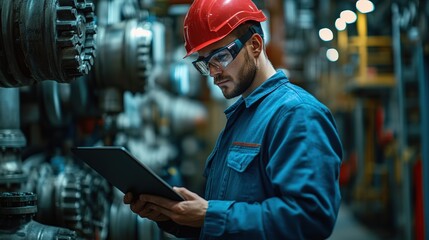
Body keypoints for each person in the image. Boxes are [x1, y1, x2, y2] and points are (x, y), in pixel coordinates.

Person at [123, 0, 343, 239]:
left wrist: (210, 215)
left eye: (221, 56)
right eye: (206, 62)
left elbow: (310, 218)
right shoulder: (242, 116)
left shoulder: (296, 114)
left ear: (255, 45)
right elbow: (228, 218)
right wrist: (175, 216)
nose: (214, 72)